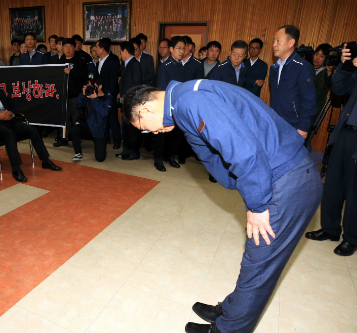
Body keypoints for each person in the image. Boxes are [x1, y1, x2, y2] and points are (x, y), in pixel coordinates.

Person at [121, 80, 322, 333]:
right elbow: (211, 152)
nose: (152, 133)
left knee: (258, 265)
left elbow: (244, 152)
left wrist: (258, 205)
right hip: (280, 173)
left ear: (146, 110)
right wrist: (238, 185)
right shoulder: (184, 99)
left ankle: (228, 329)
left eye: (143, 128)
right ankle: (231, 309)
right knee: (254, 261)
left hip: (287, 180)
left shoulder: (192, 101)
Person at [305, 40, 357, 256]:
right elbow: (339, 88)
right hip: (346, 133)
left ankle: (351, 238)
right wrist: (343, 66)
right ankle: (330, 229)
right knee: (332, 185)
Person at [0, 66, 62, 182]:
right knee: (10, 134)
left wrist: (11, 114)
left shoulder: (0, 92)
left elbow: (12, 106)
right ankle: (16, 169)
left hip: (9, 121)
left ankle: (45, 160)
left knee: (32, 130)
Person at [269, 25, 317, 139]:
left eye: (278, 41)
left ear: (291, 43)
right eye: (273, 41)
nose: (274, 45)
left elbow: (309, 101)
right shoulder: (274, 68)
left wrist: (303, 128)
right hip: (277, 123)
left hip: (295, 126)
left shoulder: (303, 67)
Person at [154, 36, 186, 171]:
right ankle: (158, 160)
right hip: (166, 106)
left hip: (178, 106)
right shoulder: (165, 66)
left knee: (177, 134)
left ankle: (170, 156)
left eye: (183, 48)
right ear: (171, 49)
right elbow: (161, 89)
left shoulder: (181, 66)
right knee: (162, 135)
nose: (182, 51)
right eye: (179, 48)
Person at [52, 38, 88, 147]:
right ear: (62, 48)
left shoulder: (80, 61)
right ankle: (63, 138)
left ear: (74, 48)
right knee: (63, 118)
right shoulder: (59, 61)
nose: (68, 49)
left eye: (70, 46)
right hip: (62, 95)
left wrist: (71, 72)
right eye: (66, 46)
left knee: (76, 118)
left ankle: (77, 139)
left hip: (75, 95)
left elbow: (84, 76)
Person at [72, 75, 112, 162]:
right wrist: (83, 95)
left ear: (100, 86)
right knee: (75, 129)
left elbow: (104, 114)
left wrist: (95, 99)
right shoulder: (88, 94)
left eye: (93, 86)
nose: (91, 88)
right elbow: (78, 105)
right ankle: (78, 153)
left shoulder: (107, 97)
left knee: (100, 158)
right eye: (89, 85)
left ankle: (102, 145)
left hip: (100, 131)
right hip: (88, 127)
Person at [116, 41, 142, 160]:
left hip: (131, 102)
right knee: (126, 128)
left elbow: (136, 85)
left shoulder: (134, 64)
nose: (120, 54)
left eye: (121, 51)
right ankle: (126, 151)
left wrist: (126, 97)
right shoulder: (127, 64)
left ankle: (134, 153)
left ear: (125, 51)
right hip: (124, 101)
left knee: (132, 129)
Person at [95, 38, 121, 149]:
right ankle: (105, 139)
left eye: (96, 47)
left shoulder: (113, 62)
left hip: (109, 95)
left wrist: (107, 95)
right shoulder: (98, 62)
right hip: (99, 95)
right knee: (102, 119)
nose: (95, 49)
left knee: (112, 119)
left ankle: (117, 141)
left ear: (102, 48)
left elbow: (113, 82)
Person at [312, 43, 334, 118]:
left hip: (313, 111)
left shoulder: (326, 72)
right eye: (316, 54)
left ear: (326, 58)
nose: (317, 58)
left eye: (322, 56)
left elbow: (317, 92)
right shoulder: (308, 68)